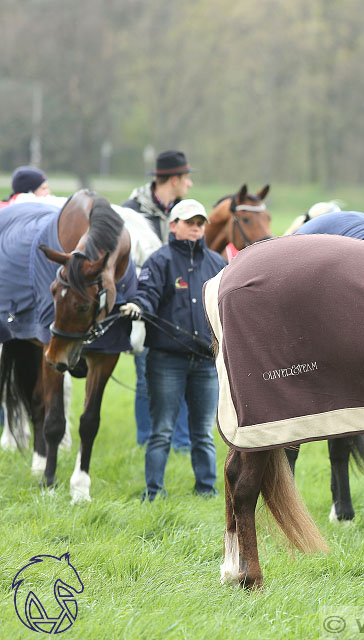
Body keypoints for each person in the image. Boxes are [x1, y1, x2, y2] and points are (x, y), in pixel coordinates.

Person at [120, 199, 227, 500]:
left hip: (207, 363)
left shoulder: (218, 264)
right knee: (162, 431)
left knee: (204, 434)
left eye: (200, 223)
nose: (196, 228)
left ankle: (206, 491)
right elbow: (147, 294)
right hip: (165, 362)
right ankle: (153, 492)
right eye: (189, 222)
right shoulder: (159, 261)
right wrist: (138, 307)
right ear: (174, 225)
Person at [123, 150, 193, 450]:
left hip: (178, 304)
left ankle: (180, 442)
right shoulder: (132, 211)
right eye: (186, 178)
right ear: (174, 179)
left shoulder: (184, 211)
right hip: (146, 301)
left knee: (182, 375)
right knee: (145, 376)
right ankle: (145, 439)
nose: (189, 184)